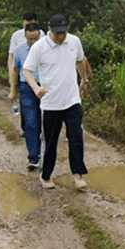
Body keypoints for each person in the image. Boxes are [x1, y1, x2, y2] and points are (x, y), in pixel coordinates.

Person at [22, 14, 91, 190]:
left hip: (72, 100)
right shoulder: (39, 47)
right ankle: (45, 176)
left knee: (76, 138)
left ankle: (77, 174)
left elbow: (80, 60)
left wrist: (84, 80)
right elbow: (27, 71)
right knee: (50, 142)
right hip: (51, 103)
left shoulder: (74, 41)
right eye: (57, 33)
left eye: (64, 32)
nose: (61, 37)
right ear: (50, 29)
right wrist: (36, 88)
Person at [9, 24, 42, 170]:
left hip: (44, 88)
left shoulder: (46, 48)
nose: (33, 38)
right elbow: (15, 70)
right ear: (25, 35)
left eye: (36, 35)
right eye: (30, 35)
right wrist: (13, 89)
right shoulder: (19, 50)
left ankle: (42, 153)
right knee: (30, 123)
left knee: (43, 123)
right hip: (26, 88)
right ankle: (33, 157)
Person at [8, 12, 38, 135]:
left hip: (39, 76)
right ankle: (26, 129)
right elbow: (11, 56)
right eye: (27, 23)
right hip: (23, 76)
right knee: (26, 106)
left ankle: (37, 131)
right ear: (23, 23)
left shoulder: (43, 35)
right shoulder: (16, 36)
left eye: (32, 23)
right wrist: (12, 83)